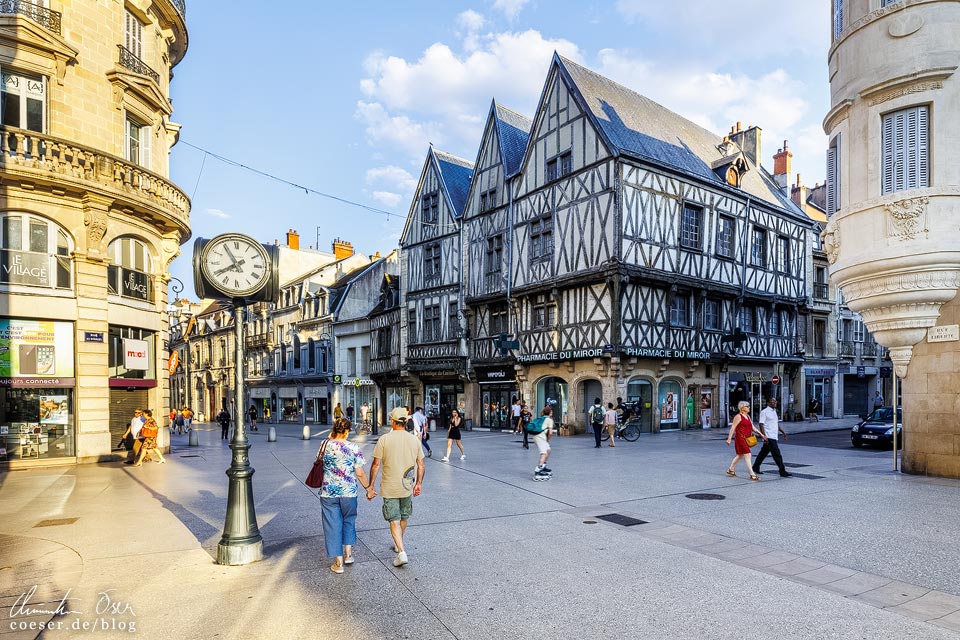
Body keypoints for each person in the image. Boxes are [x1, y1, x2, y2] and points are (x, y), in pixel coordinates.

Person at [366, 407, 425, 568]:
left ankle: (401, 552)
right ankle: (399, 544)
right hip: (407, 485)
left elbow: (376, 464)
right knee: (404, 516)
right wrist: (418, 483)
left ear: (392, 421)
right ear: (406, 422)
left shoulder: (384, 439)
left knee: (394, 519)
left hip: (389, 486)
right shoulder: (414, 440)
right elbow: (421, 464)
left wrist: (370, 486)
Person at [319, 418, 372, 574]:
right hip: (349, 493)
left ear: (334, 429)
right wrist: (368, 488)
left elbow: (319, 463)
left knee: (333, 525)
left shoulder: (324, 446)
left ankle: (338, 563)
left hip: (328, 493)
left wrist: (330, 438)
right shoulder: (354, 447)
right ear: (348, 431)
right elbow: (360, 473)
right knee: (349, 521)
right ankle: (348, 555)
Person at [753, 398, 791, 478]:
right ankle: (782, 471)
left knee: (763, 453)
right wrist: (764, 436)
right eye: (773, 401)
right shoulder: (764, 412)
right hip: (769, 436)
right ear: (768, 403)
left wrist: (782, 432)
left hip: (774, 435)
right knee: (777, 454)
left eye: (775, 401)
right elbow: (761, 424)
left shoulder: (774, 412)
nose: (775, 402)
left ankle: (755, 467)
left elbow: (776, 423)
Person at [725, 401, 763, 481]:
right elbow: (733, 428)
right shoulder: (738, 417)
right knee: (748, 454)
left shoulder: (748, 416)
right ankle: (752, 474)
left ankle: (730, 470)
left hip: (747, 438)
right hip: (740, 438)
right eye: (747, 406)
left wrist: (761, 434)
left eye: (749, 406)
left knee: (740, 455)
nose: (749, 407)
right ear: (742, 407)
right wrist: (729, 439)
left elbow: (753, 427)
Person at [533, 405, 555, 480]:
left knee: (548, 450)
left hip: (539, 436)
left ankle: (543, 466)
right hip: (540, 437)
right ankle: (538, 470)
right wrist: (547, 440)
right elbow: (551, 433)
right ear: (550, 413)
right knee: (544, 453)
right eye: (551, 412)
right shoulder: (549, 420)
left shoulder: (542, 418)